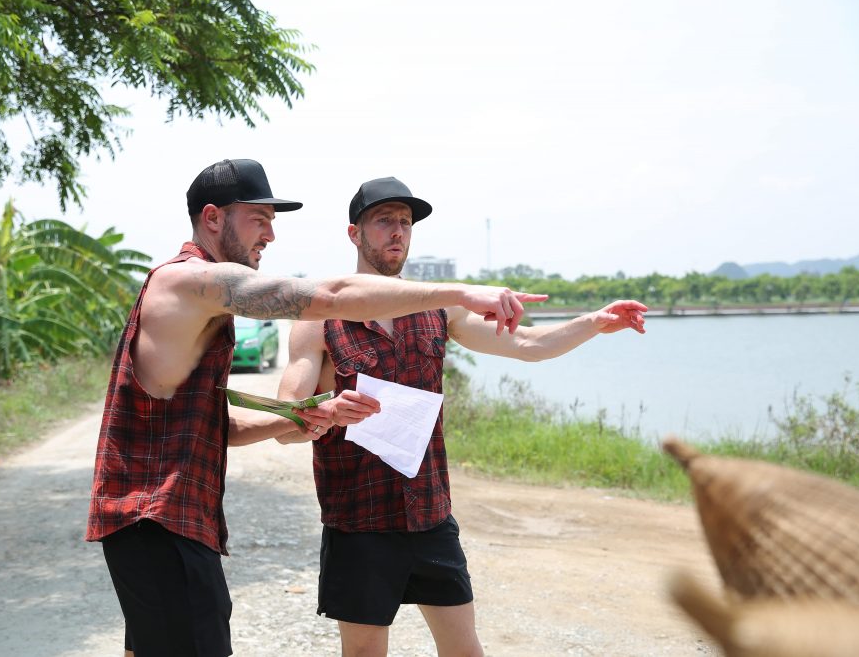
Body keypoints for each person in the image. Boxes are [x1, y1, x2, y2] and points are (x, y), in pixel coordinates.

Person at [85, 159, 547, 657]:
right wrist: (460, 291)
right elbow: (328, 295)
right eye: (259, 219)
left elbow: (213, 425)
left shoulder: (201, 301)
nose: (270, 235)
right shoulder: (190, 280)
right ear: (213, 218)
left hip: (166, 522)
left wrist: (304, 414)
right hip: (157, 515)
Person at [276, 176, 648, 657]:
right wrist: (324, 411)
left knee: (465, 650)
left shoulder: (439, 309)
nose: (398, 232)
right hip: (358, 518)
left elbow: (527, 345)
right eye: (385, 220)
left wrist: (592, 323)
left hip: (429, 512)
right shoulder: (317, 318)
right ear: (354, 233)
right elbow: (286, 419)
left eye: (406, 223)